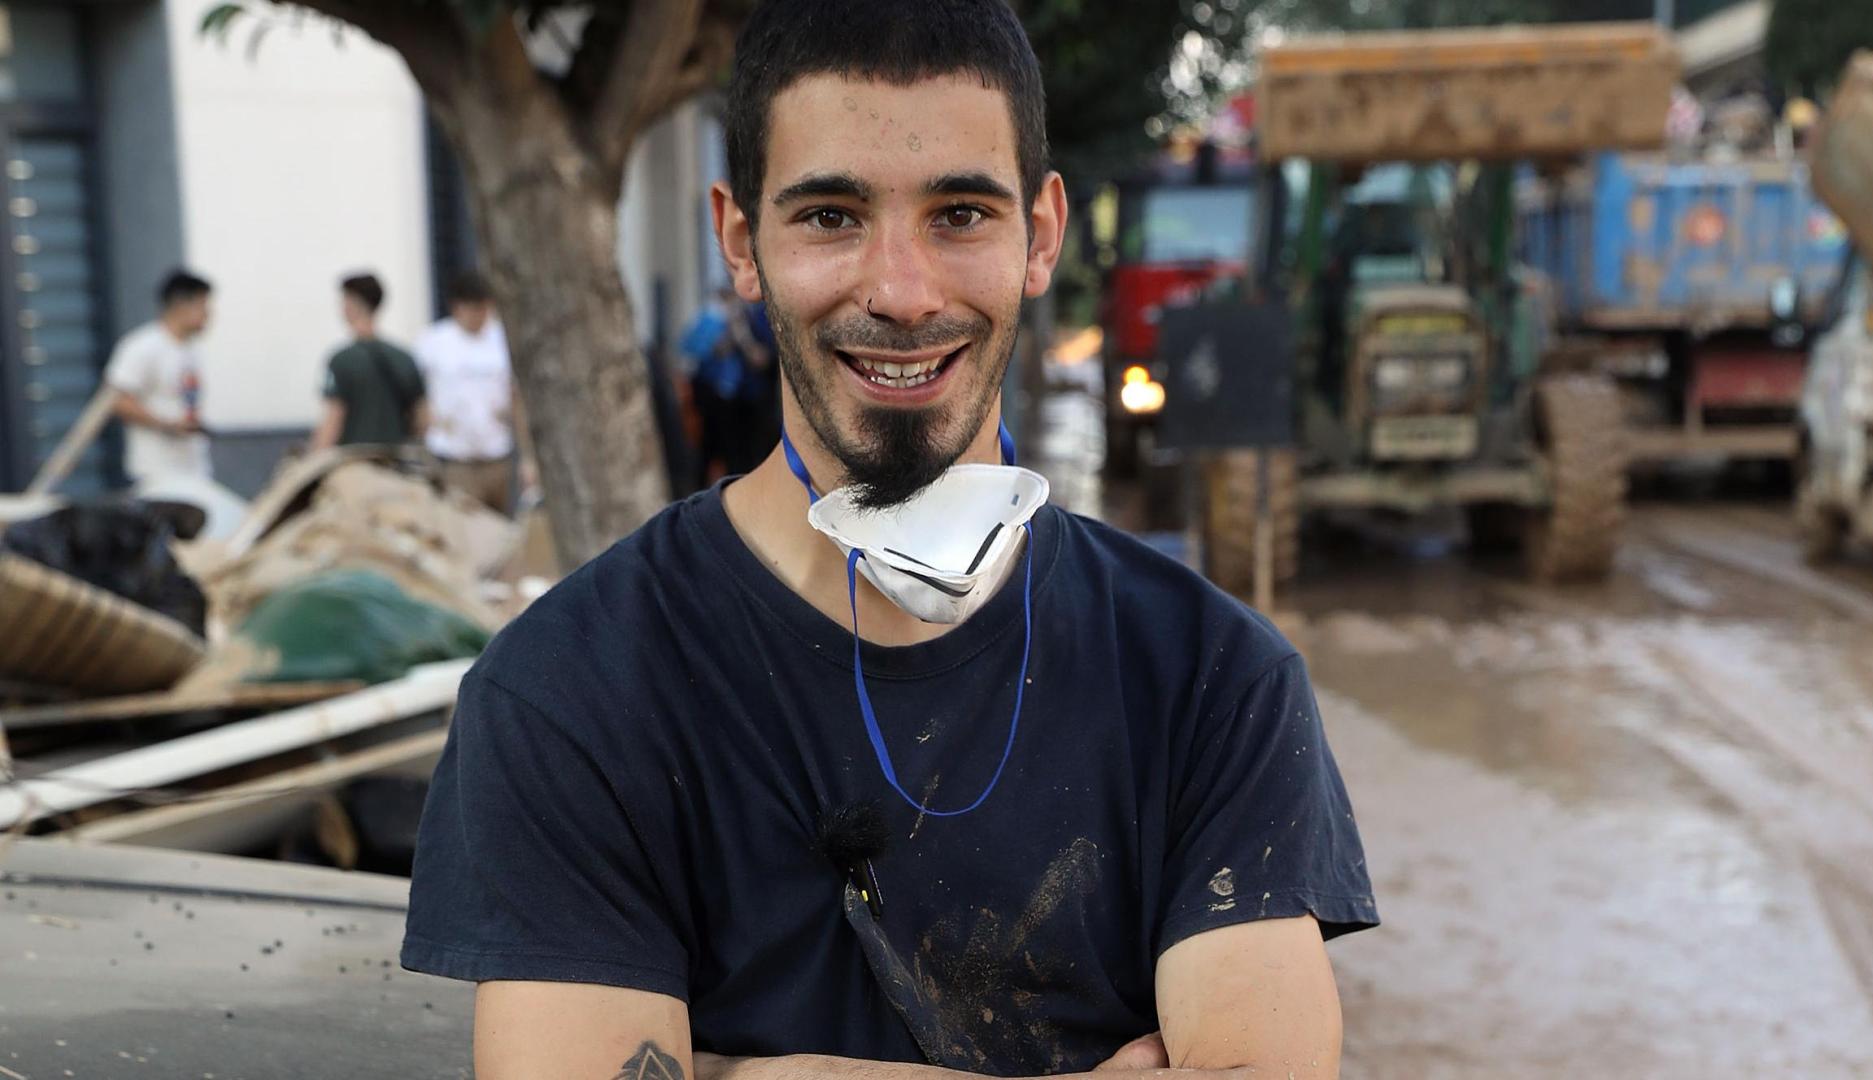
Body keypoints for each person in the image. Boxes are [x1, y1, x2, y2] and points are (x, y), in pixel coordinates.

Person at [402, 2, 1376, 1078]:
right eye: (830, 217)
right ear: (741, 241)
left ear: (1041, 237)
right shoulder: (569, 691)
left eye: (961, 213)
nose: (903, 294)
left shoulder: (1211, 676)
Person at [415, 270, 518, 513]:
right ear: (457, 307)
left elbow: (515, 395)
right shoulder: (433, 341)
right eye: (473, 309)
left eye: (484, 309)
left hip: (496, 453)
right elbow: (416, 393)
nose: (479, 317)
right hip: (454, 457)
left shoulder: (500, 339)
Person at [106, 269, 214, 484]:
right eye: (203, 306)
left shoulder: (190, 349)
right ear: (182, 306)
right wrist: (167, 425)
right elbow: (118, 401)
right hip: (157, 470)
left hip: (193, 466)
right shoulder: (144, 346)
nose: (209, 315)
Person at [309, 272, 427, 452]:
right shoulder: (404, 358)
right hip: (396, 460)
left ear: (352, 305)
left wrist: (314, 456)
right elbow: (423, 419)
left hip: (353, 462)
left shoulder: (341, 360)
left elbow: (333, 421)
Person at [681, 286, 779, 479]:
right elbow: (696, 351)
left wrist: (742, 336)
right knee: (721, 451)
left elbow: (761, 359)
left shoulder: (758, 320)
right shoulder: (714, 322)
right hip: (726, 400)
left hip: (755, 401)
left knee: (752, 454)